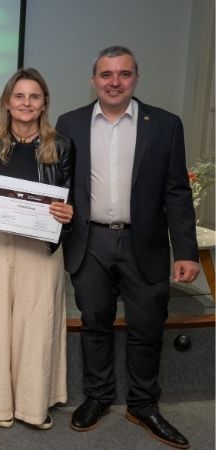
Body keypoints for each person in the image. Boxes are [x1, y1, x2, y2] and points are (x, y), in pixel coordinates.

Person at [56, 46, 199, 449]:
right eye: (106, 75)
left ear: (136, 78)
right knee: (95, 322)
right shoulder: (70, 123)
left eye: (123, 74)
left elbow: (177, 191)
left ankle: (143, 404)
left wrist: (185, 250)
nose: (114, 82)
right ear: (93, 80)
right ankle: (98, 397)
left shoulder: (165, 125)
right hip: (91, 241)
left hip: (146, 242)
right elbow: (60, 184)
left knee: (147, 327)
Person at [0, 68, 74, 430]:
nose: (26, 103)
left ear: (44, 104)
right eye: (19, 96)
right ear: (7, 103)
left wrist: (68, 213)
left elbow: (72, 199)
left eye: (34, 97)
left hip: (41, 246)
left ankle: (31, 404)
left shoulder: (61, 145)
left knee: (36, 324)